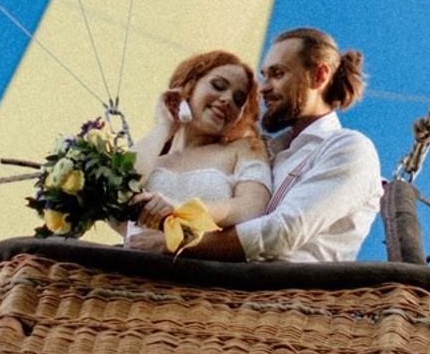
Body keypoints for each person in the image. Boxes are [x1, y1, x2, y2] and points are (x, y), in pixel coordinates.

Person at [184, 27, 382, 265]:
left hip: (288, 298)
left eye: (277, 74)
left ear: (319, 76)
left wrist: (178, 245)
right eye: (264, 75)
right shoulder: (265, 153)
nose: (263, 88)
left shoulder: (349, 148)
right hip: (223, 294)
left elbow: (283, 231)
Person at [123, 50, 272, 251]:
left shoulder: (245, 149)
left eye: (238, 100)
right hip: (130, 278)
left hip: (200, 278)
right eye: (218, 86)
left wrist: (180, 210)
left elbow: (252, 209)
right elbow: (117, 190)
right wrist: (163, 126)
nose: (227, 99)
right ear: (188, 86)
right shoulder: (153, 156)